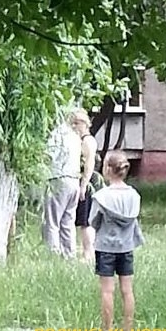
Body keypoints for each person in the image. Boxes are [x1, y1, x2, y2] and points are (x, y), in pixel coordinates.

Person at [89, 150, 144, 331]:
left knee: (107, 291)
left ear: (108, 169)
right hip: (126, 247)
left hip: (105, 247)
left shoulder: (101, 196)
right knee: (127, 291)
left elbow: (93, 221)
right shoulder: (134, 196)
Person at [42, 117, 82, 258]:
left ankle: (53, 254)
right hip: (74, 180)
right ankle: (69, 254)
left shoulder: (56, 135)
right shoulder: (74, 136)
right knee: (68, 220)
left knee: (52, 220)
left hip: (59, 178)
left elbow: (48, 156)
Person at [71, 108, 99, 263]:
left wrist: (84, 185)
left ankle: (88, 252)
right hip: (82, 181)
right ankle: (85, 250)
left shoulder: (88, 141)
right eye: (73, 123)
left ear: (85, 124)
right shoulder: (80, 140)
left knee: (85, 220)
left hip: (86, 183)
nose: (74, 126)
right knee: (82, 220)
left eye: (77, 123)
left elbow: (89, 164)